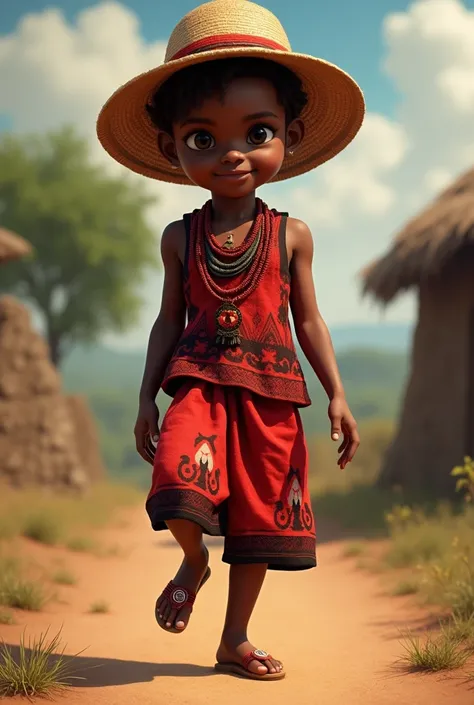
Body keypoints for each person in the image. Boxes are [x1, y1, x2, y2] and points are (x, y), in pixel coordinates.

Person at [97, 0, 363, 682]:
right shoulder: (180, 237)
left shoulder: (293, 235)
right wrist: (143, 397)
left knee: (259, 518)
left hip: (273, 394)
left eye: (258, 131)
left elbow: (309, 319)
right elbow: (166, 319)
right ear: (171, 147)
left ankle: (234, 637)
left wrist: (336, 392)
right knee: (175, 478)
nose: (232, 153)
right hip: (199, 382)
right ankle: (191, 558)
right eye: (202, 139)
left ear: (291, 135)